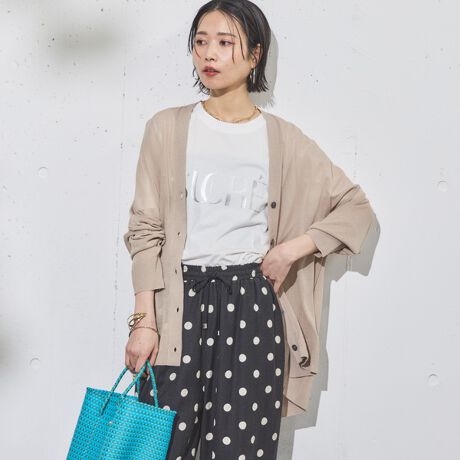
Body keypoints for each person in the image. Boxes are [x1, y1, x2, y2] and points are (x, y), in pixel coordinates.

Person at [123, 1, 374, 459]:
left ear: (255, 54)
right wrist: (144, 321)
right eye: (201, 42)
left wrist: (292, 250)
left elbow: (355, 208)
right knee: (159, 447)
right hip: (178, 306)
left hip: (252, 309)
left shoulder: (283, 139)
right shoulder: (167, 127)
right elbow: (145, 230)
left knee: (240, 450)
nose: (209, 54)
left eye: (225, 43)